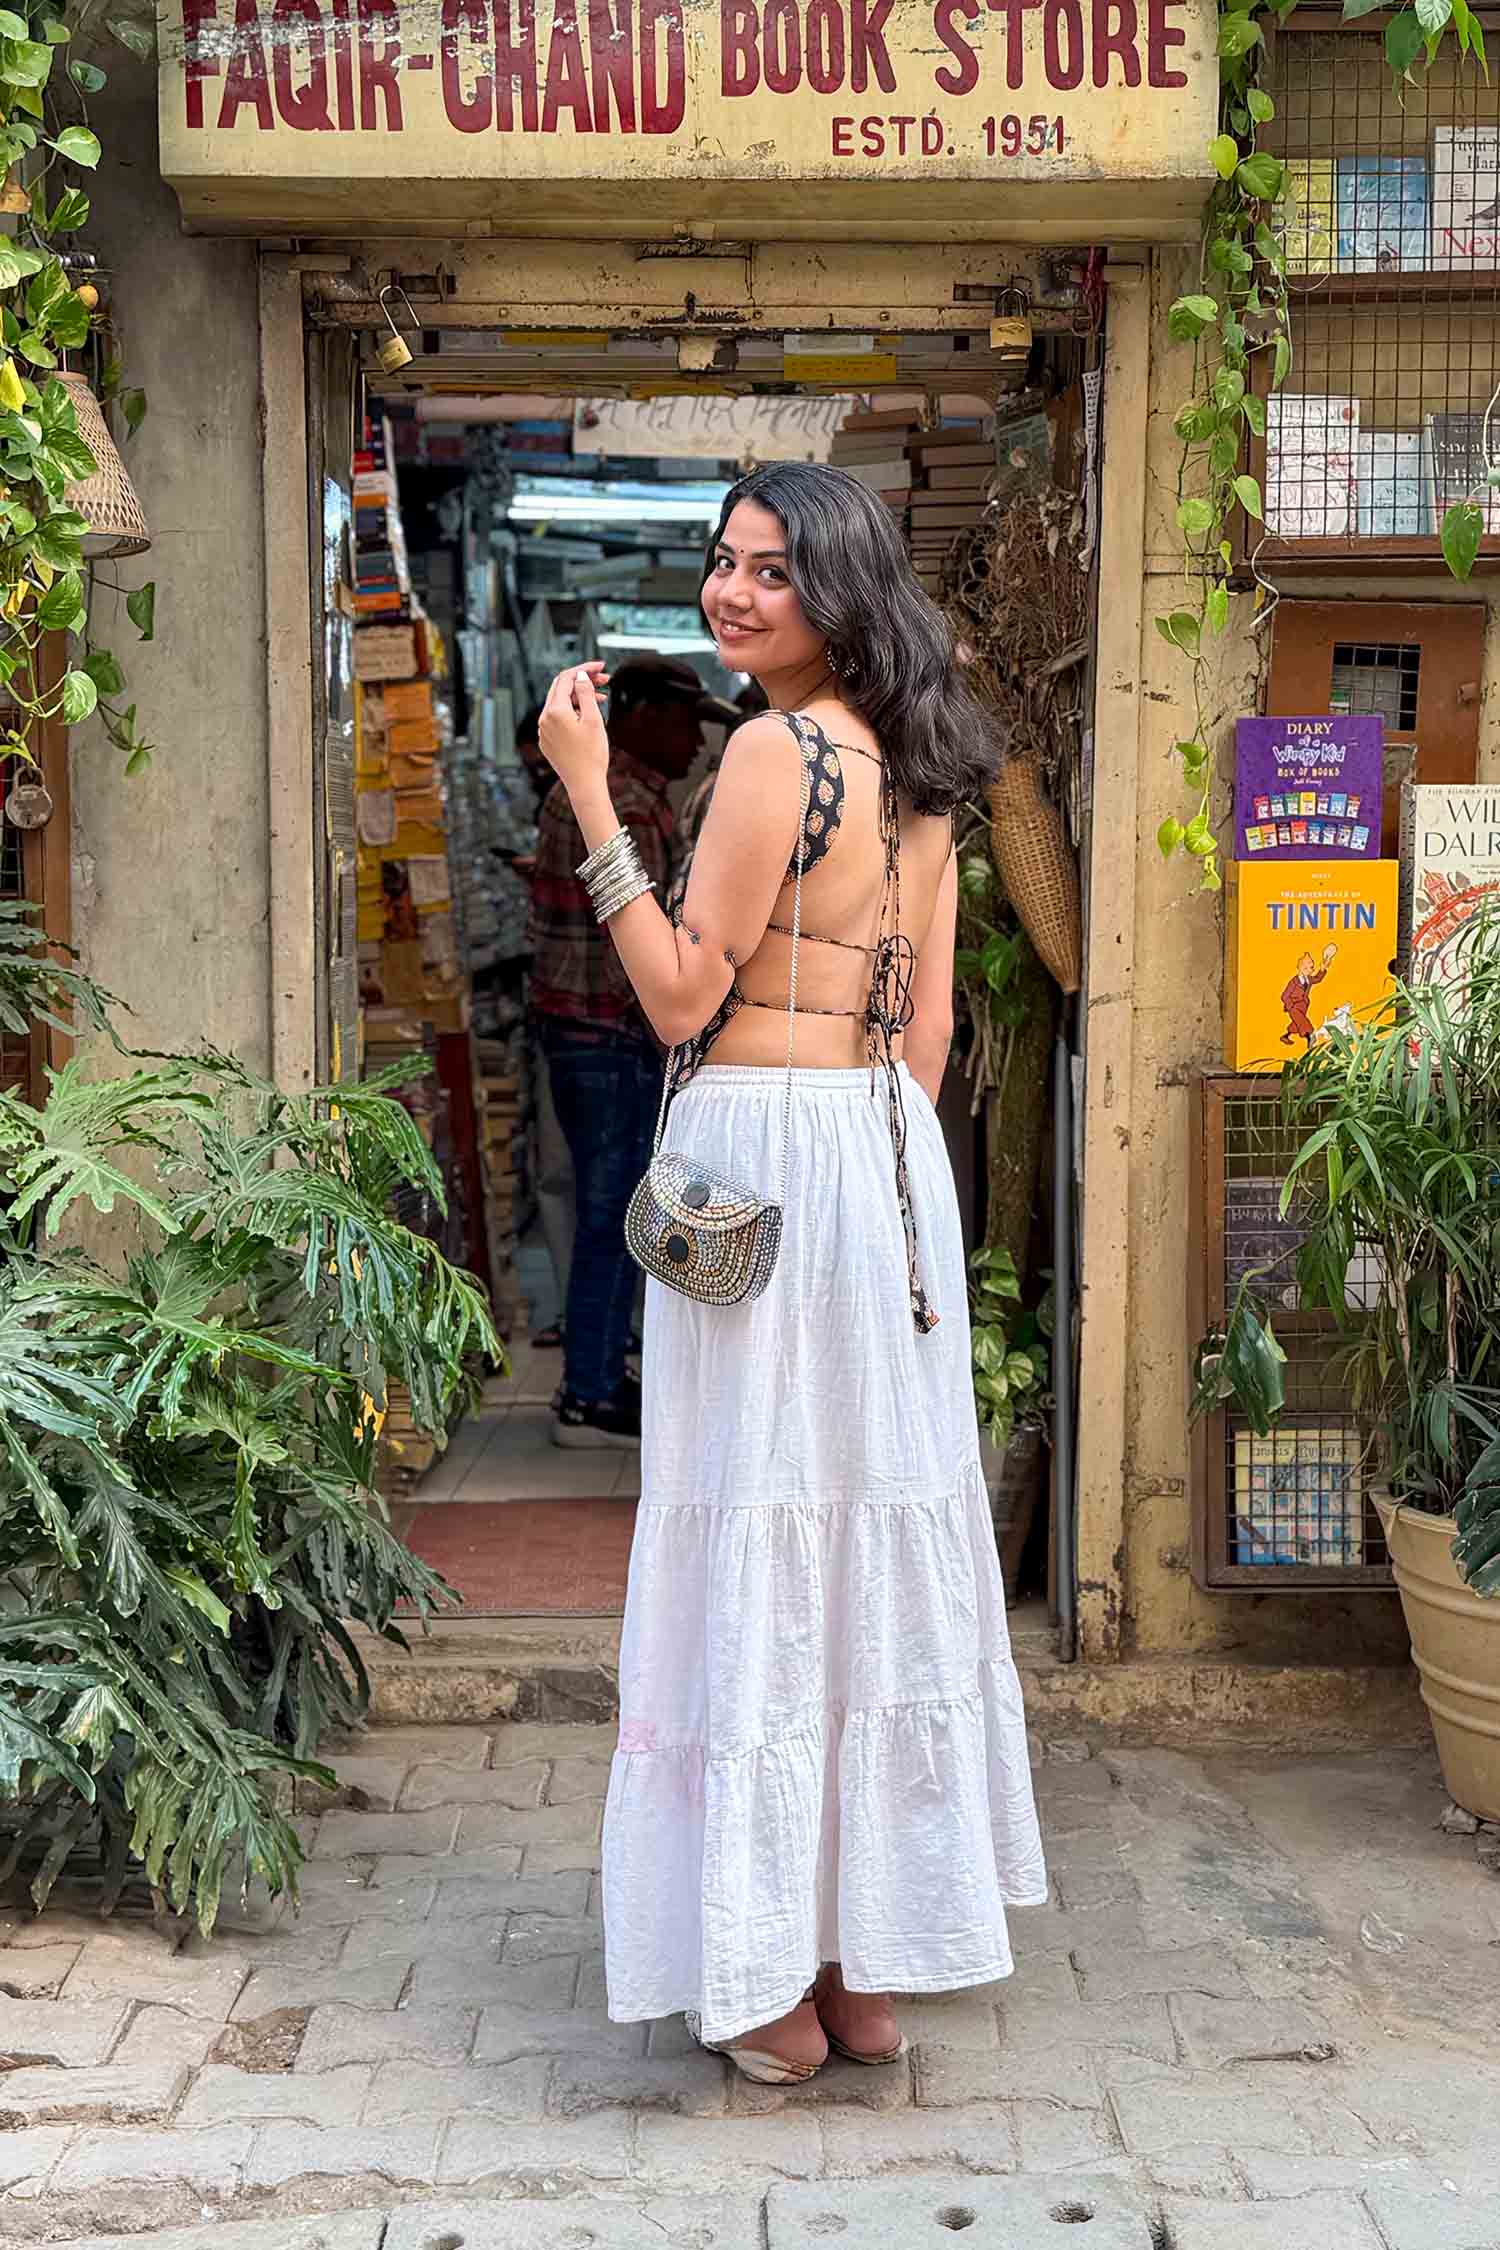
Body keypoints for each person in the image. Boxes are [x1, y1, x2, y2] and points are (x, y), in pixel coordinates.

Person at [538, 463, 1046, 2083]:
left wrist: (589, 796)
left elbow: (681, 995)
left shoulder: (772, 751)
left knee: (755, 1526)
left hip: (760, 1154)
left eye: (771, 570)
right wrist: (880, 1180)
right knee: (866, 1538)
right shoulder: (922, 762)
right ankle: (860, 1964)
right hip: (883, 1161)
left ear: (839, 588)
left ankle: (767, 1979)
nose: (733, 592)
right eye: (724, 562)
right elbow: (931, 1030)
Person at [530, 654, 729, 1446]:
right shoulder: (628, 805)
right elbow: (633, 950)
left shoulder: (599, 793)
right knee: (613, 1213)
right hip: (607, 1033)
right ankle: (590, 1389)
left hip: (577, 1028)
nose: (699, 745)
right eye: (687, 724)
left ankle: (601, 1369)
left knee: (606, 1206)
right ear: (642, 717)